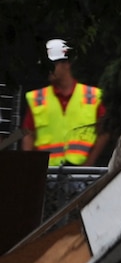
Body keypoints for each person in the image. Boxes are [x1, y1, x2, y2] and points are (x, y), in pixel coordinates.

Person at [20, 40, 110, 168]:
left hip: (81, 174)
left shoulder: (92, 96)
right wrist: (29, 166)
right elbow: (28, 134)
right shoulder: (37, 98)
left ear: (66, 64)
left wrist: (89, 162)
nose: (47, 70)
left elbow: (104, 131)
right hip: (46, 173)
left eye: (51, 65)